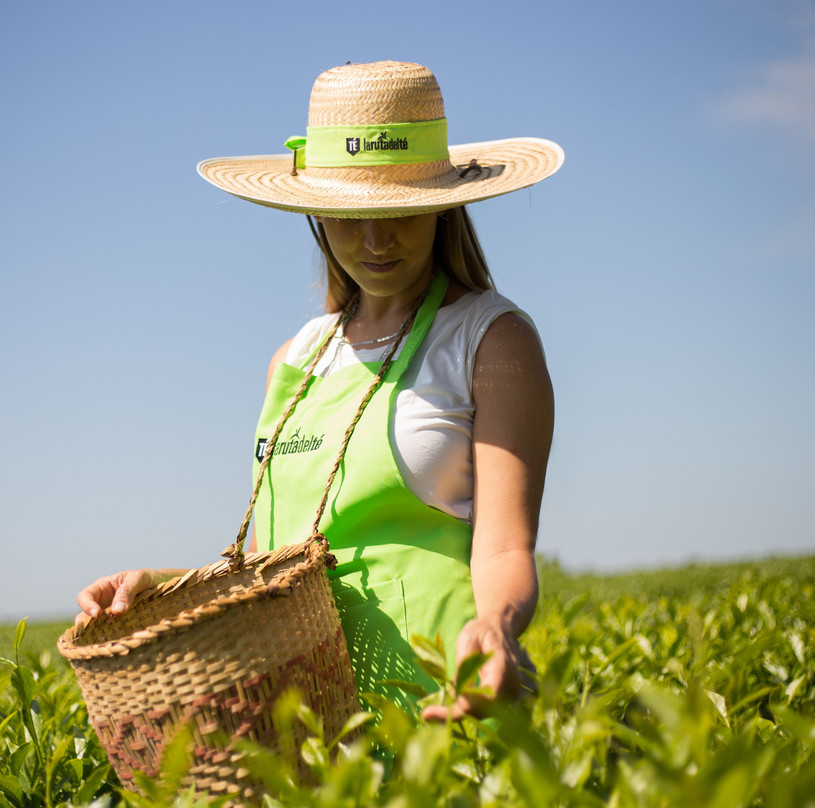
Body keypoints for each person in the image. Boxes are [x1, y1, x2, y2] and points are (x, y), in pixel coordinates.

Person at [77, 61, 562, 721]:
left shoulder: (491, 340)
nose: (374, 240)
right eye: (345, 216)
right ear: (313, 215)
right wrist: (162, 587)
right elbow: (270, 563)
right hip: (312, 735)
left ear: (443, 206)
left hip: (450, 709)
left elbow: (505, 546)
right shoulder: (295, 360)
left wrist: (497, 628)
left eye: (400, 214)